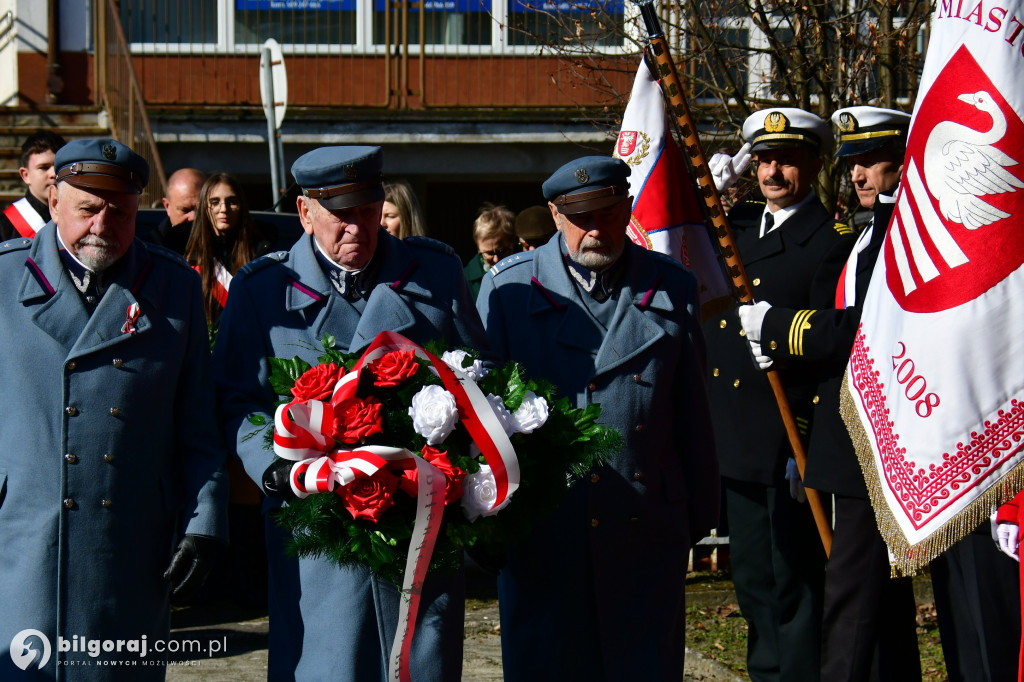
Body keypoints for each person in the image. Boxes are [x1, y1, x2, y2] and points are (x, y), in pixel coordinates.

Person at [213, 145, 489, 681]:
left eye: (368, 210)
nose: (358, 228)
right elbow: (234, 398)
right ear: (304, 212)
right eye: (341, 214)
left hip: (419, 525)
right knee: (326, 665)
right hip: (317, 528)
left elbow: (482, 375)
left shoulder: (435, 273)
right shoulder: (262, 291)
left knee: (417, 663)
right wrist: (272, 463)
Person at [476, 156, 719, 681]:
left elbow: (692, 412)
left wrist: (694, 515)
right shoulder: (507, 292)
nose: (595, 228)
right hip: (546, 536)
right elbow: (483, 424)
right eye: (579, 214)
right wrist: (486, 526)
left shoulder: (672, 286)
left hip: (643, 531)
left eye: (607, 212)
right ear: (554, 215)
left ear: (627, 208)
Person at [0, 138, 227, 677]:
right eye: (88, 208)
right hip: (22, 545)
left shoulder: (171, 287)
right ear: (52, 201)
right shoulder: (5, 280)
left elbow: (197, 423)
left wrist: (204, 522)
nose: (104, 224)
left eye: (120, 212)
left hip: (126, 547)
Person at [737, 107, 921, 681]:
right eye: (854, 164)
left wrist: (776, 330)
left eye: (872, 163)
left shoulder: (857, 235)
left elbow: (854, 328)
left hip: (858, 432)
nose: (860, 176)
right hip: (794, 433)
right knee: (833, 594)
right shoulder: (867, 229)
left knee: (841, 594)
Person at [703, 108, 857, 681]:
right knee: (751, 578)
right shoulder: (731, 226)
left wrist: (812, 444)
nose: (772, 171)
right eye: (764, 159)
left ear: (814, 164)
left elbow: (838, 339)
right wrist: (703, 195)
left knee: (795, 580)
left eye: (787, 159)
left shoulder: (832, 239)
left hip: (791, 434)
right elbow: (667, 244)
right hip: (738, 437)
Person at [185, 172, 276, 328]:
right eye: (214, 202)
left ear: (241, 206)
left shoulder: (263, 254)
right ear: (204, 207)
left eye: (232, 201)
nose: (223, 209)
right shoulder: (189, 256)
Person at [0, 130, 66, 241]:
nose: (53, 174)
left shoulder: (81, 216)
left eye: (59, 166)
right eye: (44, 167)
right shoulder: (5, 226)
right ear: (25, 175)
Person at [149, 167, 206, 255]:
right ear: (167, 206)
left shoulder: (224, 246)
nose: (193, 217)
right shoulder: (150, 250)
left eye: (200, 210)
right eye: (185, 210)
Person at [464, 203, 515, 299]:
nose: (496, 259)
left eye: (501, 251)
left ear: (512, 242)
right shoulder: (465, 279)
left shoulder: (528, 267)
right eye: (489, 253)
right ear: (478, 247)